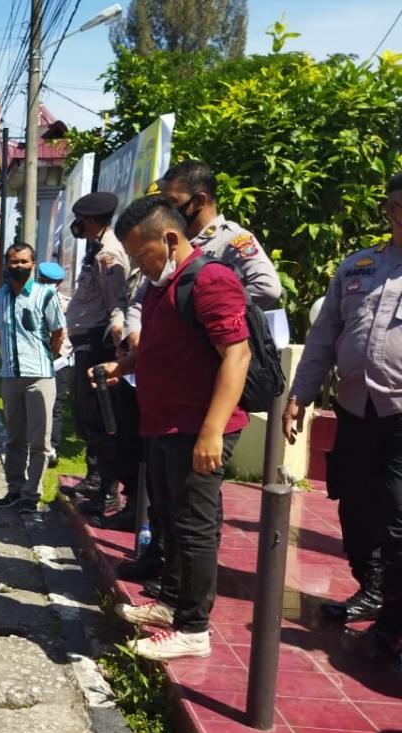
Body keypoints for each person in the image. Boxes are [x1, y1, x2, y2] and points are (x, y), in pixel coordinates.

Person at [117, 161, 285, 579]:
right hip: (166, 404)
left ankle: (188, 603)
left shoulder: (228, 244)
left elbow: (266, 289)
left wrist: (209, 305)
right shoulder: (165, 248)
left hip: (203, 400)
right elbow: (143, 299)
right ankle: (167, 572)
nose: (165, 207)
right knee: (168, 501)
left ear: (200, 200)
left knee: (194, 512)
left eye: (172, 201)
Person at [101, 196, 251, 661]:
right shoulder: (162, 286)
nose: (140, 265)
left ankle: (193, 629)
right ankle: (170, 603)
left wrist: (212, 431)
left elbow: (237, 355)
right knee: (168, 517)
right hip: (163, 424)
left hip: (197, 427)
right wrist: (123, 363)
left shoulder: (210, 280)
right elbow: (162, 348)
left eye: (142, 255)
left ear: (169, 238)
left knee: (194, 526)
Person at [284, 171, 402, 649]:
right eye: (395, 205)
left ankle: (395, 618)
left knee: (397, 515)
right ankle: (372, 590)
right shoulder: (359, 267)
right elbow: (323, 338)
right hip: (355, 408)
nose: (400, 214)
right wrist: (300, 394)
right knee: (353, 505)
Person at [63, 192, 133, 515]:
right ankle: (96, 479)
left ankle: (109, 489)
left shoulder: (108, 254)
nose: (77, 225)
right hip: (85, 346)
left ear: (90, 221)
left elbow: (115, 305)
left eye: (80, 220)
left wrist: (115, 349)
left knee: (102, 418)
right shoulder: (95, 249)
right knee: (86, 416)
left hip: (100, 347)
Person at [0, 243, 65, 513]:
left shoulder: (45, 295)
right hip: (10, 376)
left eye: (23, 261)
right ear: (6, 265)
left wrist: (46, 359)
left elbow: (58, 333)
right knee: (14, 438)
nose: (17, 266)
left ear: (33, 264)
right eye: (12, 261)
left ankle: (32, 494)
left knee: (39, 441)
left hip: (40, 376)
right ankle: (15, 489)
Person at [35, 262, 73, 467]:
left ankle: (52, 448)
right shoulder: (31, 300)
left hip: (59, 362)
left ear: (59, 283)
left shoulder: (67, 304)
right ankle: (35, 447)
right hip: (36, 363)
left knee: (55, 407)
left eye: (51, 282)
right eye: (44, 281)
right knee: (35, 407)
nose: (47, 285)